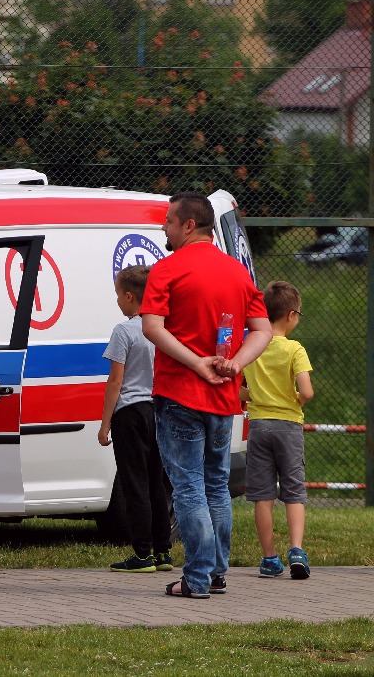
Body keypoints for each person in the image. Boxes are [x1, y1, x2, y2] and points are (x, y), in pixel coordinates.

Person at [141, 191, 272, 599]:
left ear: (188, 225)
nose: (163, 227)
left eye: (167, 220)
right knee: (216, 484)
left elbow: (151, 327)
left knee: (189, 487)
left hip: (181, 393)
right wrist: (233, 363)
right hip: (224, 396)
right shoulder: (237, 272)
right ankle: (215, 572)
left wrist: (196, 363)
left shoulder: (167, 270)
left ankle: (196, 579)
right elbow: (262, 329)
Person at [98, 265, 173, 573]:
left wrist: (104, 424)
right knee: (157, 482)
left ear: (129, 296)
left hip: (129, 412)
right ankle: (163, 552)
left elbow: (115, 381)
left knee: (135, 483)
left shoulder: (124, 331)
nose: (117, 301)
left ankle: (141, 554)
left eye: (118, 295)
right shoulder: (163, 329)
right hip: (158, 409)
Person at [240, 281, 313, 580]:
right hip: (289, 427)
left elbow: (240, 392)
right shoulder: (295, 349)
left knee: (262, 494)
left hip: (258, 425)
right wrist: (293, 399)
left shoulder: (252, 345)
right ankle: (296, 550)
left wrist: (257, 395)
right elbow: (306, 391)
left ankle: (270, 557)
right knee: (294, 490)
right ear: (291, 315)